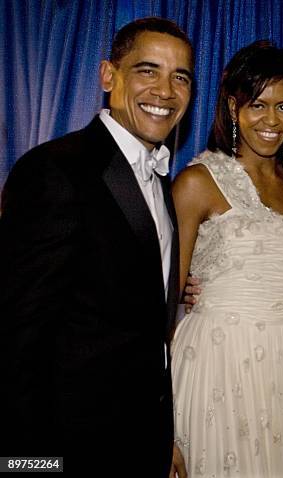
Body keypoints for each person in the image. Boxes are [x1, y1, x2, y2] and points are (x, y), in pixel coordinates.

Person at [0, 17, 193, 477]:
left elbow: (142, 323)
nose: (165, 91)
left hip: (137, 438)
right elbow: (16, 338)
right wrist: (29, 465)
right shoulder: (55, 170)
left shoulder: (159, 178)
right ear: (109, 75)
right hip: (70, 444)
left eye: (180, 77)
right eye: (148, 70)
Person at [170, 40, 283, 477]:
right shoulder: (197, 182)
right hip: (217, 362)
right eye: (258, 104)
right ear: (234, 108)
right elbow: (156, 307)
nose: (272, 121)